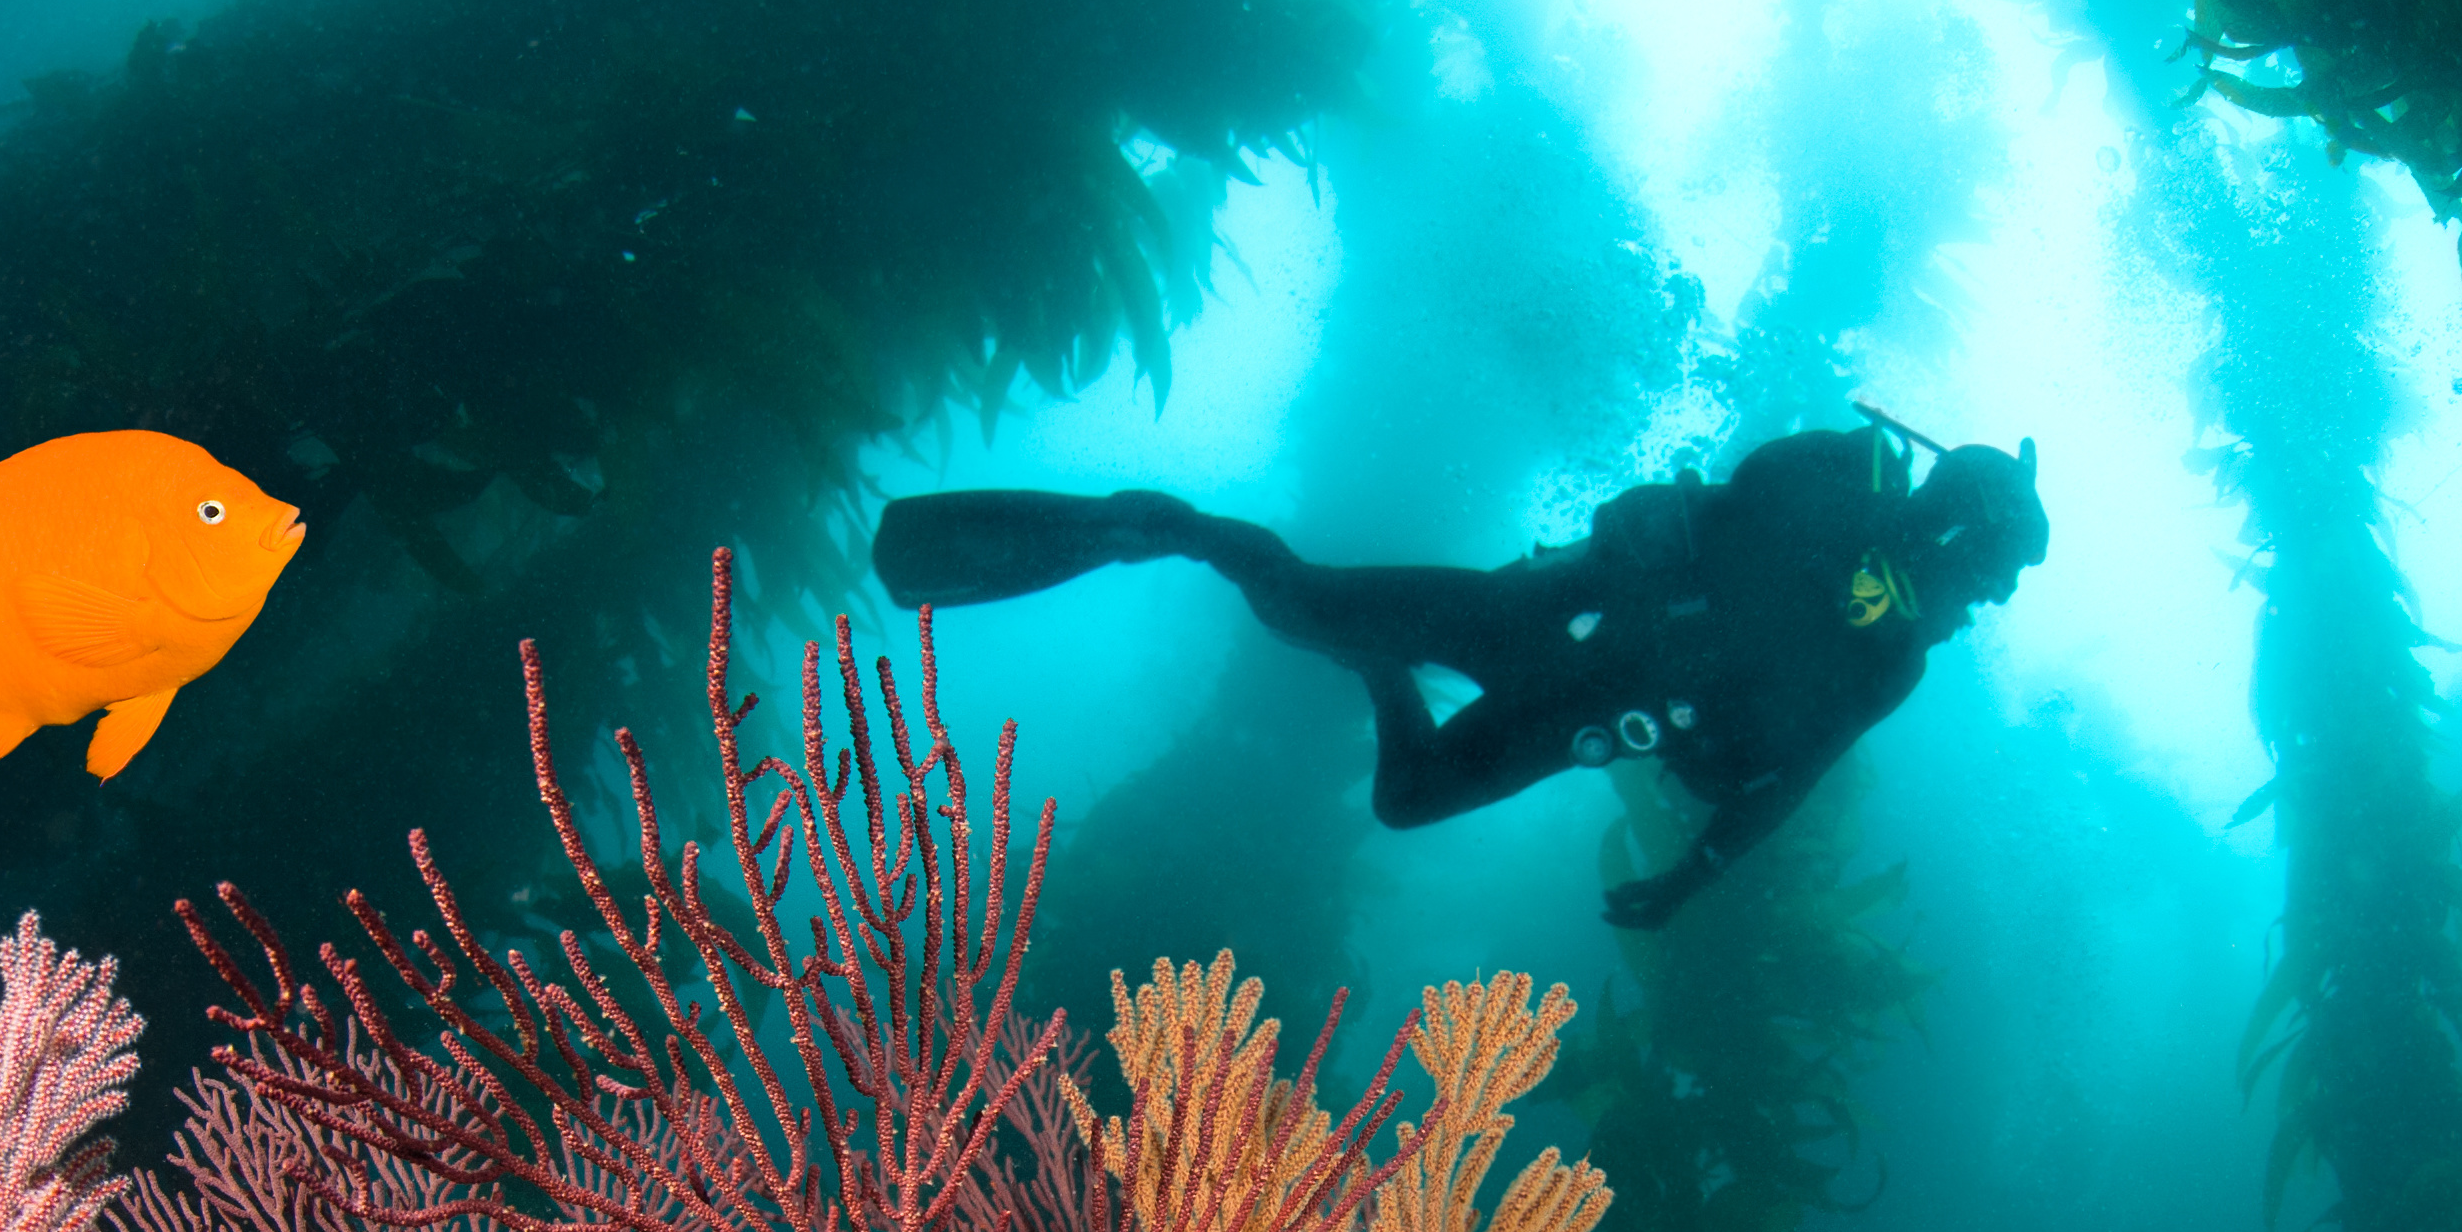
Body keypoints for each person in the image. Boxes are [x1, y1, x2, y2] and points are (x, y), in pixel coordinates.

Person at [871, 412, 2048, 927]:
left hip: (1586, 708)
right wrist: (1644, 522)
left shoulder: (1892, 651)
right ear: (1966, 534)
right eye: (1993, 580)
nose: (1983, 607)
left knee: (1402, 795)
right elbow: (1683, 509)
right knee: (1299, 601)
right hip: (1544, 631)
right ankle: (1165, 528)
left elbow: (1781, 776)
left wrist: (1694, 873)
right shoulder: (1843, 493)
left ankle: (1370, 660)